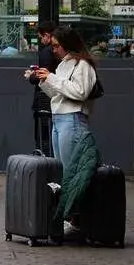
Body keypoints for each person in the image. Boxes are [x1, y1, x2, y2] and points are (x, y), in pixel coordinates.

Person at [28, 27, 100, 237]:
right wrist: (44, 80)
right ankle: (70, 217)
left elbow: (80, 92)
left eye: (57, 45)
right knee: (63, 170)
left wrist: (52, 78)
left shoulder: (82, 65)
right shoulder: (63, 65)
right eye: (53, 46)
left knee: (71, 170)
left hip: (73, 118)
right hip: (60, 118)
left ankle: (76, 219)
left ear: (68, 44)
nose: (54, 50)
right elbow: (57, 94)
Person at [31, 22, 62, 153]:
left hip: (45, 98)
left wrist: (32, 76)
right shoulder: (60, 52)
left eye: (41, 37)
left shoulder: (47, 52)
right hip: (56, 98)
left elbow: (43, 76)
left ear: (47, 35)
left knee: (44, 135)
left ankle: (47, 162)